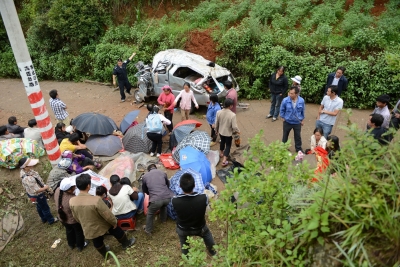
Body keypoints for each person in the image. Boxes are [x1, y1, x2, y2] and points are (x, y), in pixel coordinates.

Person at [69, 174, 136, 257]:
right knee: (116, 230)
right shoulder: (96, 200)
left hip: (88, 227)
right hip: (101, 223)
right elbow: (106, 214)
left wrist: (84, 223)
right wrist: (114, 221)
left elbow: (75, 216)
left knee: (97, 241)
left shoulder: (72, 201)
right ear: (88, 186)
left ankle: (105, 254)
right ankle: (126, 243)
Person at [171, 173, 216, 256]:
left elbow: (174, 213)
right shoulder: (204, 197)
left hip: (183, 228)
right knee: (207, 234)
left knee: (183, 241)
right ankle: (213, 252)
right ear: (194, 185)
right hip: (200, 227)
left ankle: (186, 257)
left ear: (180, 186)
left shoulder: (174, 201)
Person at [18, 157, 58, 225]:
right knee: (45, 208)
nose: (32, 165)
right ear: (25, 167)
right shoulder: (28, 178)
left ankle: (43, 218)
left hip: (30, 194)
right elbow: (37, 190)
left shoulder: (24, 172)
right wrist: (46, 187)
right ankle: (51, 220)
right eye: (30, 165)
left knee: (39, 206)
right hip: (38, 195)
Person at [54, 178, 88, 251]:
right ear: (69, 190)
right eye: (73, 187)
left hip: (62, 218)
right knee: (78, 232)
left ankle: (71, 244)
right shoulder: (72, 199)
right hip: (72, 220)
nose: (75, 187)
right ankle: (80, 245)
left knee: (69, 230)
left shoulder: (58, 190)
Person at [142, 164, 174, 235]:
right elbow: (167, 185)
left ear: (148, 170)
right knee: (164, 206)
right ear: (155, 168)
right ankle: (163, 220)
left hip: (155, 200)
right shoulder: (163, 173)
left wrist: (150, 193)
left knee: (150, 213)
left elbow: (144, 190)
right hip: (167, 198)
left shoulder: (145, 176)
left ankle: (148, 230)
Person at [215, 98, 240, 167]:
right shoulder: (232, 115)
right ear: (230, 106)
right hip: (228, 133)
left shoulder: (218, 112)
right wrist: (238, 131)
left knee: (222, 141)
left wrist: (216, 130)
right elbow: (234, 126)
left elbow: (216, 122)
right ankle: (224, 160)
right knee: (228, 145)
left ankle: (221, 153)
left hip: (221, 131)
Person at [280, 86, 305, 153]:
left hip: (297, 122)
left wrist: (302, 120)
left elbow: (303, 111)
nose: (290, 94)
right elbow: (282, 110)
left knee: (297, 136)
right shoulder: (285, 100)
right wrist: (282, 117)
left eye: (292, 93)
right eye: (289, 93)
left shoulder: (301, 101)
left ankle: (298, 149)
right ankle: (283, 148)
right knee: (285, 136)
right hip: (287, 121)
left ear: (296, 94)